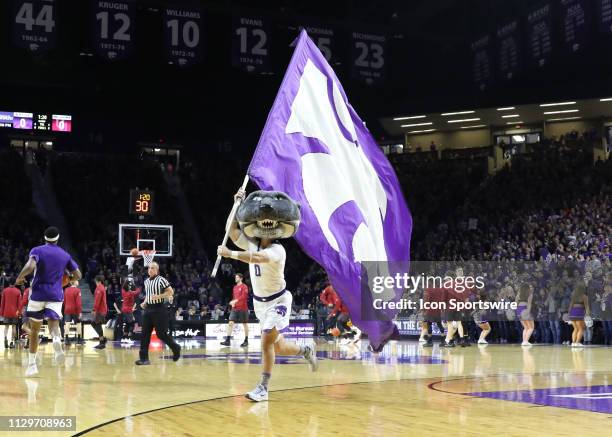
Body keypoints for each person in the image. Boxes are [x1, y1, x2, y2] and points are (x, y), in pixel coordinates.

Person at [217, 188, 318, 402]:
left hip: (279, 301)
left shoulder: (278, 250)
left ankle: (263, 387)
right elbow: (232, 231)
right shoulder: (252, 243)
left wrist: (230, 254)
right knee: (278, 346)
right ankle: (305, 350)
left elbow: (258, 259)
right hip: (260, 304)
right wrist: (236, 205)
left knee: (265, 343)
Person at [15, 226, 81, 377]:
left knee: (35, 330)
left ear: (45, 238)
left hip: (38, 294)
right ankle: (56, 339)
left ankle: (32, 365)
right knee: (54, 323)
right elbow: (78, 274)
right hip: (55, 294)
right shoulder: (64, 254)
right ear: (57, 239)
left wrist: (19, 277)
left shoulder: (37, 250)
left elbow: (30, 266)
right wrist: (68, 280)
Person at [136, 262, 181, 366]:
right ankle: (144, 359)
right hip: (148, 310)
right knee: (144, 335)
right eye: (149, 268)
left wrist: (159, 296)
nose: (150, 270)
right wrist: (145, 302)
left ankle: (175, 347)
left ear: (156, 270)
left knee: (161, 334)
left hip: (159, 310)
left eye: (152, 268)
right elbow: (148, 295)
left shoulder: (161, 279)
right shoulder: (146, 281)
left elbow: (171, 292)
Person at [220, 273, 250, 347]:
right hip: (235, 308)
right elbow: (234, 297)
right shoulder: (234, 287)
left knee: (245, 324)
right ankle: (228, 340)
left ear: (241, 278)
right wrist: (233, 302)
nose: (235, 279)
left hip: (243, 308)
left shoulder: (244, 286)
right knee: (230, 323)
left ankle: (246, 340)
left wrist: (235, 301)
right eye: (235, 277)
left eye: (237, 277)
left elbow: (244, 297)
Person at [569, 282, 590, 347]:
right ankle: (577, 343)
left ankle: (573, 343)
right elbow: (587, 306)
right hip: (579, 312)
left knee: (575, 328)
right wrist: (587, 314)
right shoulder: (584, 296)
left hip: (572, 312)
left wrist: (569, 314)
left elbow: (570, 306)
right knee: (581, 328)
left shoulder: (573, 296)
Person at [1, 282, 21, 349]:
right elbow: (19, 304)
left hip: (6, 311)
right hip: (15, 313)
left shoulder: (4, 290)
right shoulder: (18, 291)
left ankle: (5, 338)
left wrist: (1, 312)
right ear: (15, 283)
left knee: (6, 327)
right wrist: (19, 312)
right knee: (14, 327)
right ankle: (12, 342)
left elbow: (2, 302)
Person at [63, 280, 83, 344]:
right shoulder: (77, 290)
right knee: (78, 323)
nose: (78, 282)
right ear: (74, 282)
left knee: (67, 323)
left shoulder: (66, 290)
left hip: (67, 309)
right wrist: (79, 312)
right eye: (77, 281)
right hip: (75, 309)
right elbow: (78, 303)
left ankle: (66, 339)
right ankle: (79, 339)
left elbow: (64, 301)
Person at [92, 276, 108, 349]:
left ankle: (102, 342)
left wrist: (94, 309)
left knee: (96, 324)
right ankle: (102, 340)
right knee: (96, 324)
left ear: (98, 281)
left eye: (95, 281)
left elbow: (97, 300)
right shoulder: (102, 287)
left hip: (100, 310)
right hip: (102, 309)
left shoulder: (99, 288)